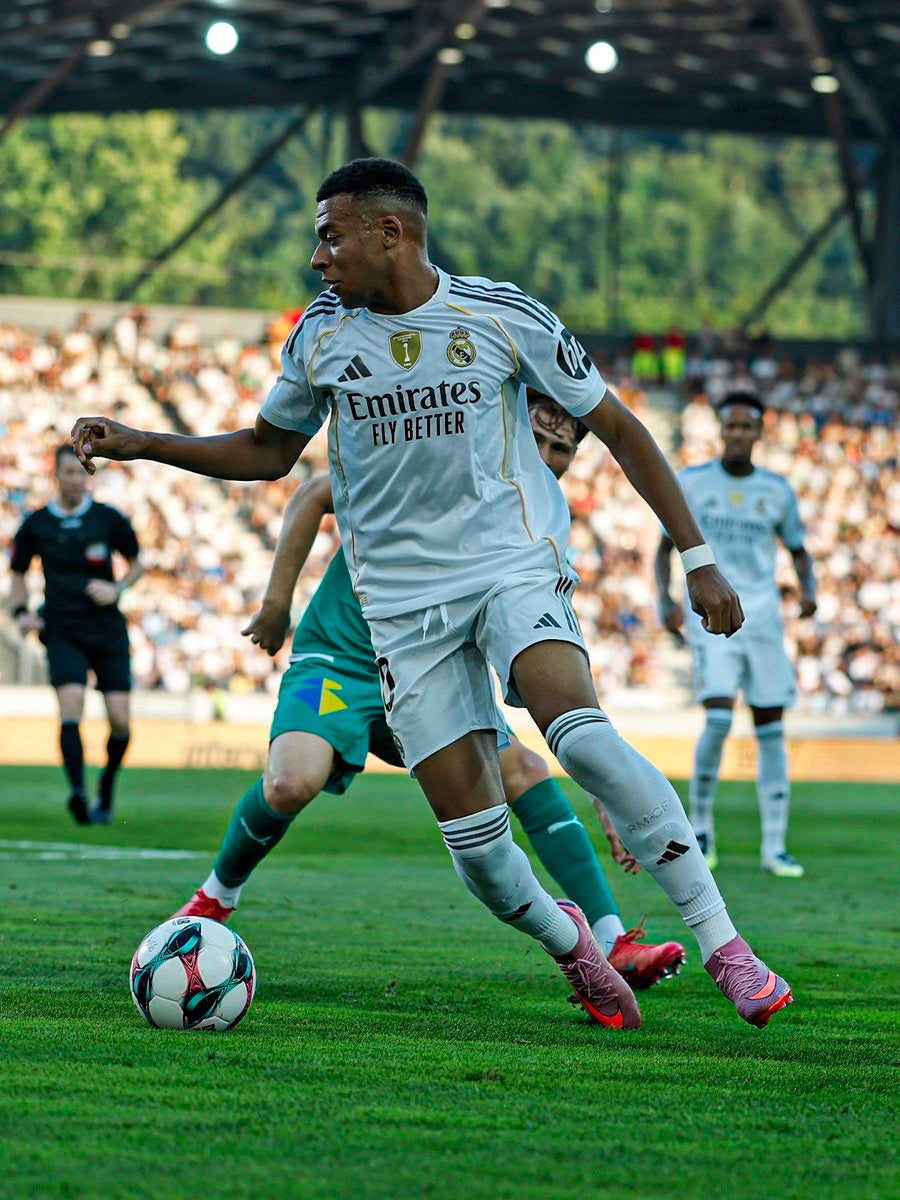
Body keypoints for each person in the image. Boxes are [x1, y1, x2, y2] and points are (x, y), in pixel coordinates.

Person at [72, 156, 792, 1030]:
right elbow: (268, 452)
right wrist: (144, 443)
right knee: (481, 851)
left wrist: (697, 556)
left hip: (508, 568)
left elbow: (619, 426)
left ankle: (726, 945)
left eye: (330, 236)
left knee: (581, 738)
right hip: (403, 614)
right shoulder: (321, 336)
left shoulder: (500, 314)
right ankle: (574, 947)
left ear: (391, 232)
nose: (317, 257)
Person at [174, 395, 686, 992]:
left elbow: (550, 665)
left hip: (431, 676)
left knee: (524, 770)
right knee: (291, 782)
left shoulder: (535, 528)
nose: (546, 457)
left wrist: (602, 782)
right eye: (538, 439)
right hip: (341, 661)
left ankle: (613, 941)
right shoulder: (437, 463)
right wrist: (275, 604)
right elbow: (313, 495)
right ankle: (215, 898)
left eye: (561, 449)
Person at [655, 389, 817, 877]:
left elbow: (799, 550)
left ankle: (775, 847)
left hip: (764, 618)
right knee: (720, 719)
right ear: (720, 430)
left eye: (747, 426)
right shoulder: (693, 482)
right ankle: (702, 831)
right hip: (712, 617)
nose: (738, 434)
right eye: (731, 425)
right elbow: (663, 546)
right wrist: (665, 600)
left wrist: (808, 591)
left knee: (771, 728)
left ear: (760, 432)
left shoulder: (777, 490)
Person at [9, 443, 144, 824]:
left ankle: (106, 786)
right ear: (56, 475)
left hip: (106, 628)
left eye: (80, 473)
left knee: (120, 719)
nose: (74, 480)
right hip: (61, 627)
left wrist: (117, 588)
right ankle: (78, 793)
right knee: (71, 706)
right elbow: (17, 573)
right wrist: (21, 612)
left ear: (89, 475)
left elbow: (137, 564)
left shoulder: (108, 519)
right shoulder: (36, 524)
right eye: (68, 472)